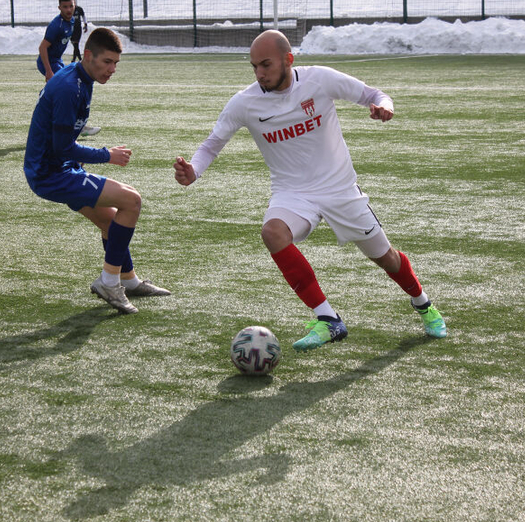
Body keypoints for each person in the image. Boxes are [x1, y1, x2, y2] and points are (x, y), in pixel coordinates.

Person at [173, 30, 446, 351]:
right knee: (272, 232)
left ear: (288, 59)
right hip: (293, 193)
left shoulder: (320, 80)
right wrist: (194, 171)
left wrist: (384, 106)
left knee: (386, 259)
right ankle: (329, 319)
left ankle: (423, 303)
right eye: (254, 67)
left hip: (340, 189)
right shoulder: (244, 103)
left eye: (266, 65)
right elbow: (212, 144)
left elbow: (374, 94)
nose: (260, 73)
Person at [25, 27, 170, 314]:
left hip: (61, 168)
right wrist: (107, 155)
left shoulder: (81, 79)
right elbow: (62, 147)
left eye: (116, 63)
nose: (112, 69)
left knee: (112, 221)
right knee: (132, 201)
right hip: (51, 173)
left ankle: (128, 281)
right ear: (88, 55)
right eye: (107, 62)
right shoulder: (69, 88)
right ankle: (108, 281)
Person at [37, 0, 99, 136]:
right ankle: (73, 124)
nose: (68, 9)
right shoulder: (56, 25)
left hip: (57, 61)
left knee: (74, 86)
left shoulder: (71, 21)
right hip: (49, 62)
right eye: (65, 7)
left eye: (71, 6)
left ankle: (76, 123)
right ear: (59, 8)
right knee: (70, 88)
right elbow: (42, 48)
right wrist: (48, 71)